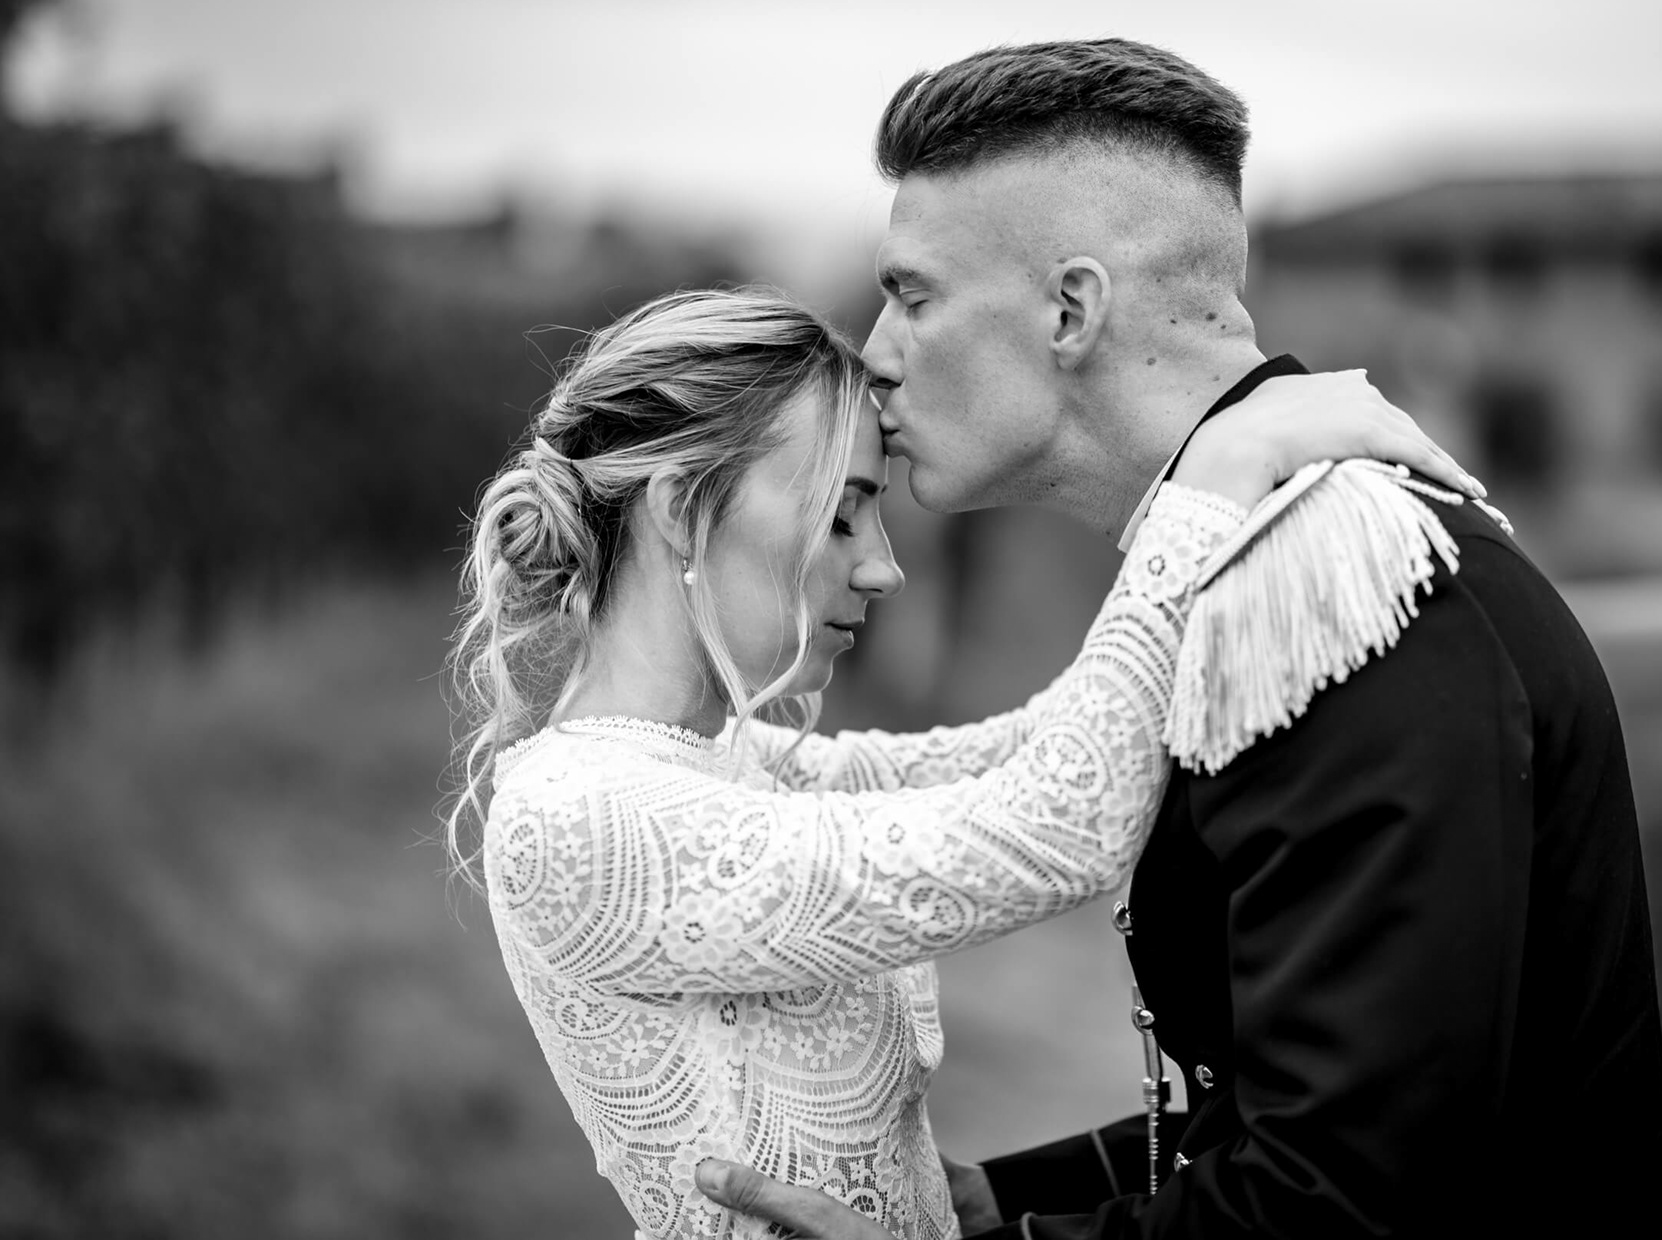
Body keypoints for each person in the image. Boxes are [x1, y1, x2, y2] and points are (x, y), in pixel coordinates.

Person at [697, 40, 1662, 1238]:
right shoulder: (1260, 559)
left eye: (913, 297)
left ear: (1072, 310)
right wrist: (1006, 1197)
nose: (878, 354)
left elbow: (1348, 1200)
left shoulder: (1336, 591)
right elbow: (1314, 1095)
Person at [445, 286, 1476, 1238]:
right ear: (680, 507)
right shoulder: (577, 814)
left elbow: (1032, 748)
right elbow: (1059, 823)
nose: (882, 566)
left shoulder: (724, 765)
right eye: (841, 512)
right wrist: (1210, 482)